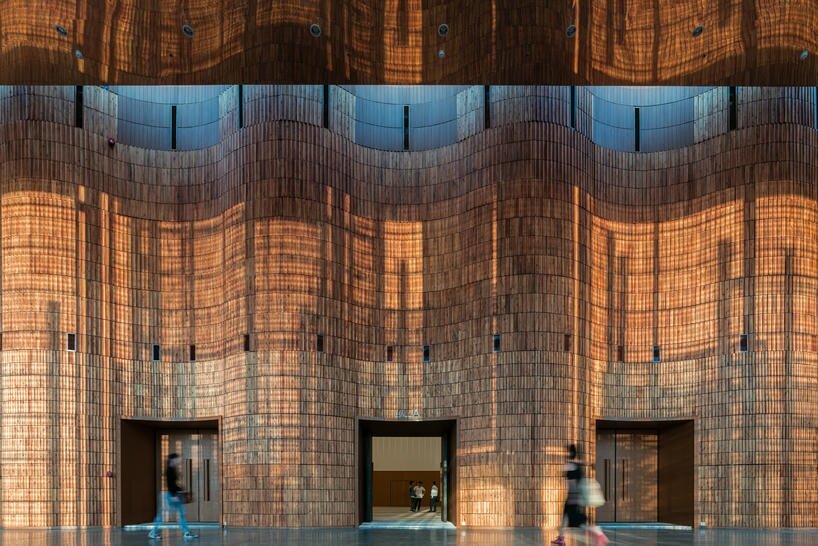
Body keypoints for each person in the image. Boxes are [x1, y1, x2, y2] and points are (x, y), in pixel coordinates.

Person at [551, 444, 607, 546]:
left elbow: (572, 484)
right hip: (575, 497)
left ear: (569, 453)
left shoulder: (570, 465)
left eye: (566, 452)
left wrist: (573, 498)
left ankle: (598, 532)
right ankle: (561, 538)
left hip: (573, 497)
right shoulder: (577, 465)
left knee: (579, 523)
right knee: (565, 518)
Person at [149, 453, 198, 541]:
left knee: (182, 513)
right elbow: (170, 484)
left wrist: (182, 490)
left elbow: (174, 484)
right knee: (162, 515)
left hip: (175, 494)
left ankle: (186, 532)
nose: (179, 460)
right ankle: (153, 532)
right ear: (173, 460)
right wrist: (173, 495)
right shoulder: (169, 470)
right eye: (178, 459)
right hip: (172, 495)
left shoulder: (173, 469)